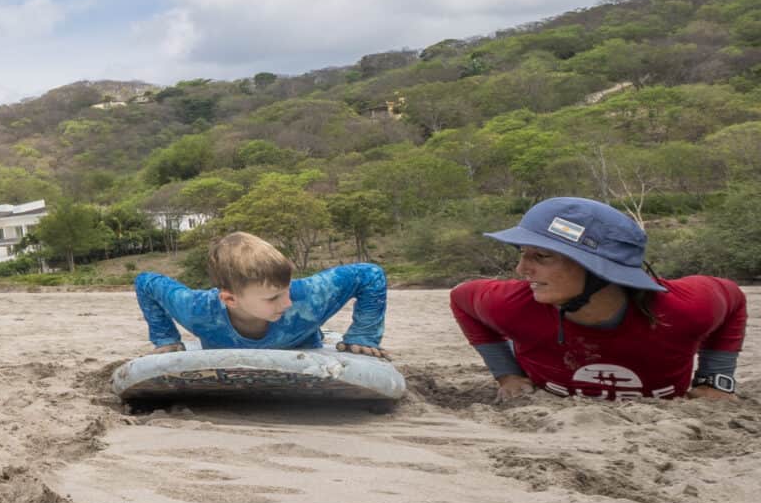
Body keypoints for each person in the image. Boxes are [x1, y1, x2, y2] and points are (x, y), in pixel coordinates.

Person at [450, 196, 743, 403]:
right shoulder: (513, 305)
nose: (521, 269)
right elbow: (461, 298)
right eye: (522, 254)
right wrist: (507, 375)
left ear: (598, 268)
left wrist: (714, 380)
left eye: (542, 256)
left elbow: (733, 298)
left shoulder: (683, 309)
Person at [135, 231, 389, 356]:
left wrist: (363, 336)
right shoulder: (196, 310)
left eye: (285, 291)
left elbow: (370, 274)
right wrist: (166, 338)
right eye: (272, 298)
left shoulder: (309, 296)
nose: (287, 302)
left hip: (304, 344)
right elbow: (146, 281)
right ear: (230, 299)